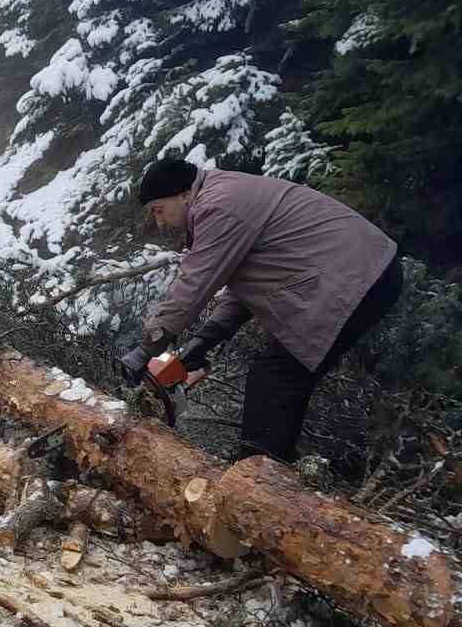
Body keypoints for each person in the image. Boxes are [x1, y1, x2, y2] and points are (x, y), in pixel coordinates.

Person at [122, 158, 402, 462]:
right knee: (284, 379)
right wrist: (203, 342)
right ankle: (270, 471)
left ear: (182, 194)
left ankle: (256, 478)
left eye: (158, 210)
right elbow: (242, 290)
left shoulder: (219, 206)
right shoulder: (223, 194)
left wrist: (145, 351)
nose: (160, 223)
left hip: (352, 275)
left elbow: (193, 287)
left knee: (275, 378)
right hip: (360, 271)